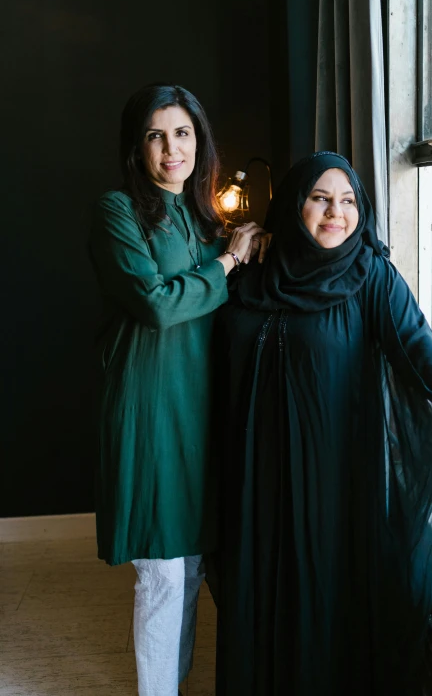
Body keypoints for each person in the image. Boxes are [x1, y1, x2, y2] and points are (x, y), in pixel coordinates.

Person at [214, 151, 432, 696]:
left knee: (323, 600)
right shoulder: (254, 272)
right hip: (256, 473)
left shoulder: (369, 274)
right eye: (321, 198)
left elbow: (419, 345)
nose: (336, 213)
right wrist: (231, 257)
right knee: (258, 593)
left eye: (348, 201)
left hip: (334, 477)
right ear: (295, 204)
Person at [89, 83, 266, 696]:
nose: (172, 148)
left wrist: (236, 249)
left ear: (201, 141)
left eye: (183, 133)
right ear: (136, 145)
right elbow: (156, 305)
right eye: (156, 134)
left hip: (201, 409)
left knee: (189, 568)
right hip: (150, 406)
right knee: (162, 571)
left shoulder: (202, 216)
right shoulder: (118, 211)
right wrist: (225, 263)